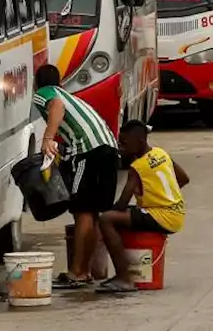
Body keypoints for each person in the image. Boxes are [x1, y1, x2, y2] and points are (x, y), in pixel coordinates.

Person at [32, 64, 120, 289]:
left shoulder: (44, 94)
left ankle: (78, 272)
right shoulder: (70, 95)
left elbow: (56, 107)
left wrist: (47, 138)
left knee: (82, 211)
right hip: (109, 149)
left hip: (88, 151)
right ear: (60, 81)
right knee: (94, 211)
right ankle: (89, 270)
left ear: (36, 83)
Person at [95, 120, 189, 294]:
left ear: (139, 141)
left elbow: (122, 204)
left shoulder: (137, 167)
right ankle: (126, 271)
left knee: (106, 219)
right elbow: (183, 178)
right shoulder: (161, 153)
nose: (120, 147)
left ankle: (124, 278)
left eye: (124, 143)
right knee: (125, 215)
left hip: (162, 216)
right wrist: (158, 194)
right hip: (177, 213)